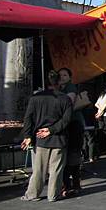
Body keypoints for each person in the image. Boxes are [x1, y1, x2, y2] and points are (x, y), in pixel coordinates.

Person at [20, 70, 72, 202]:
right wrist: (51, 129)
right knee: (56, 169)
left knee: (38, 169)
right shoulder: (65, 99)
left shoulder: (35, 98)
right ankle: (53, 194)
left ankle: (32, 194)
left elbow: (28, 118)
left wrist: (27, 136)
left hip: (40, 138)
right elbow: (66, 120)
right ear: (59, 82)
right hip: (58, 138)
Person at [58, 67, 86, 196]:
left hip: (74, 124)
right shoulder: (59, 89)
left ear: (70, 77)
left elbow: (68, 102)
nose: (62, 77)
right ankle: (67, 185)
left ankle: (74, 184)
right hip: (65, 125)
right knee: (66, 156)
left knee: (73, 155)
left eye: (65, 75)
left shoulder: (70, 88)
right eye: (60, 75)